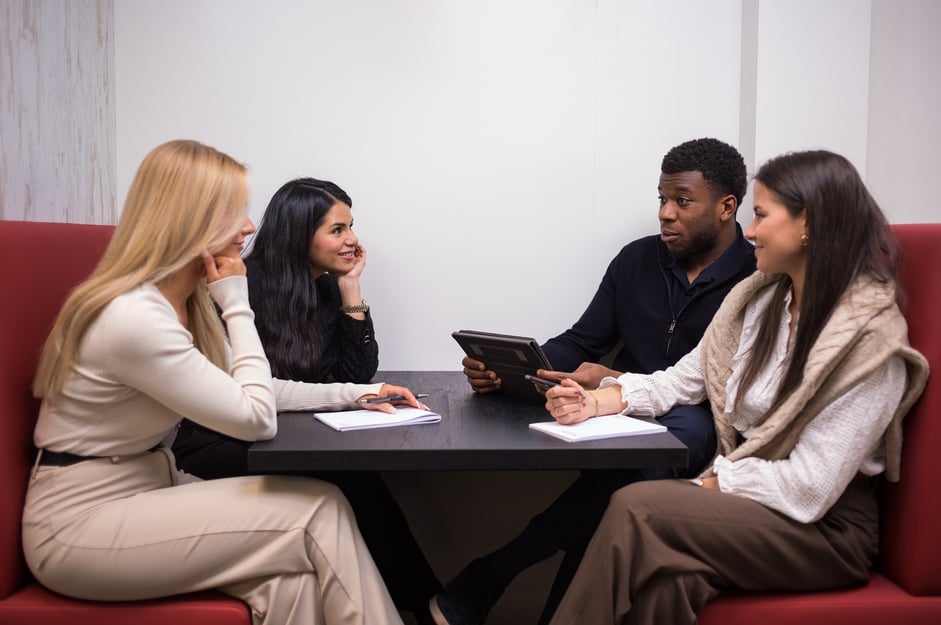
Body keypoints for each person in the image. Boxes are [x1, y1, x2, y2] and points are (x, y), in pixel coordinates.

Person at [22, 139, 428, 625]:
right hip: (80, 523)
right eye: (233, 212)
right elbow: (255, 418)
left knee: (292, 582)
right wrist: (236, 300)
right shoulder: (136, 317)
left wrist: (356, 395)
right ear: (188, 220)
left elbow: (256, 388)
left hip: (149, 486)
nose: (251, 226)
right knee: (323, 507)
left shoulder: (185, 302)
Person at [544, 149, 930, 625]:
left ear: (809, 223)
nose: (749, 232)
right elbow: (685, 379)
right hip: (754, 506)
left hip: (824, 530)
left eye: (762, 215)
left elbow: (810, 489)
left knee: (637, 508)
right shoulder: (760, 298)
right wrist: (597, 400)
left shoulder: (868, 338)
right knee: (666, 583)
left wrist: (707, 484)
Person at [431, 138, 757, 625]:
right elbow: (583, 340)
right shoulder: (637, 260)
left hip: (697, 426)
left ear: (726, 207)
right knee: (618, 493)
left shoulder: (755, 277)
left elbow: (729, 385)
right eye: (662, 200)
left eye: (682, 202)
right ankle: (498, 584)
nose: (666, 214)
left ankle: (494, 573)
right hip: (616, 417)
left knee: (673, 439)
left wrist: (617, 378)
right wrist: (514, 369)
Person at [172, 177, 442, 623]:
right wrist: (352, 395)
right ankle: (427, 605)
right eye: (337, 230)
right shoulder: (243, 282)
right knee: (354, 481)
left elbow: (356, 373)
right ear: (299, 233)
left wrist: (350, 287)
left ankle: (421, 605)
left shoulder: (324, 287)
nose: (352, 240)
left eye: (351, 226)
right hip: (217, 439)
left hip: (280, 430)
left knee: (359, 478)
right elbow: (245, 391)